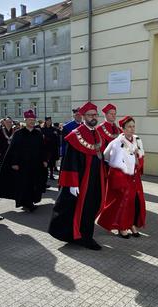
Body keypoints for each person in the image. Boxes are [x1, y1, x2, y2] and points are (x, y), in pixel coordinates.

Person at [48, 102, 105, 250]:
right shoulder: (75, 135)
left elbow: (99, 156)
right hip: (81, 181)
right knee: (80, 209)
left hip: (95, 179)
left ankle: (81, 235)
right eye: (90, 115)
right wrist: (72, 184)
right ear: (83, 116)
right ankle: (85, 238)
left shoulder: (97, 133)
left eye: (95, 114)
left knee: (91, 207)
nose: (93, 117)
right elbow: (69, 161)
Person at [97, 116, 146, 238]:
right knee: (122, 202)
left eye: (133, 126)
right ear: (123, 129)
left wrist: (138, 161)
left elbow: (141, 157)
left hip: (135, 177)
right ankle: (121, 226)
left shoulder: (137, 140)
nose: (132, 129)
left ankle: (132, 224)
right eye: (129, 127)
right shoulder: (117, 143)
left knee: (135, 201)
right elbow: (108, 157)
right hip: (123, 176)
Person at [0, 110, 48, 212]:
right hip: (22, 165)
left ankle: (31, 201)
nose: (32, 122)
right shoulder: (19, 133)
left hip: (36, 164)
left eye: (33, 120)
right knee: (24, 184)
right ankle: (26, 203)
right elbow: (13, 149)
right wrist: (14, 163)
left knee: (34, 183)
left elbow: (42, 148)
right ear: (25, 120)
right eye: (29, 120)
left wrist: (44, 160)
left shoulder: (38, 133)